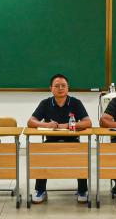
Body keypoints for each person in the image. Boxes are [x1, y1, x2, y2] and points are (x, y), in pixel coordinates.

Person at [27, 72, 91, 204]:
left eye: (63, 85)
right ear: (50, 88)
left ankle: (82, 190)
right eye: (57, 86)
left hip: (72, 141)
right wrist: (46, 125)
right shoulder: (45, 103)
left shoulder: (75, 102)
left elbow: (87, 122)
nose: (60, 88)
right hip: (51, 141)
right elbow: (31, 122)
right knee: (41, 155)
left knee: (81, 154)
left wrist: (68, 125)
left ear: (68, 88)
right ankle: (40, 190)